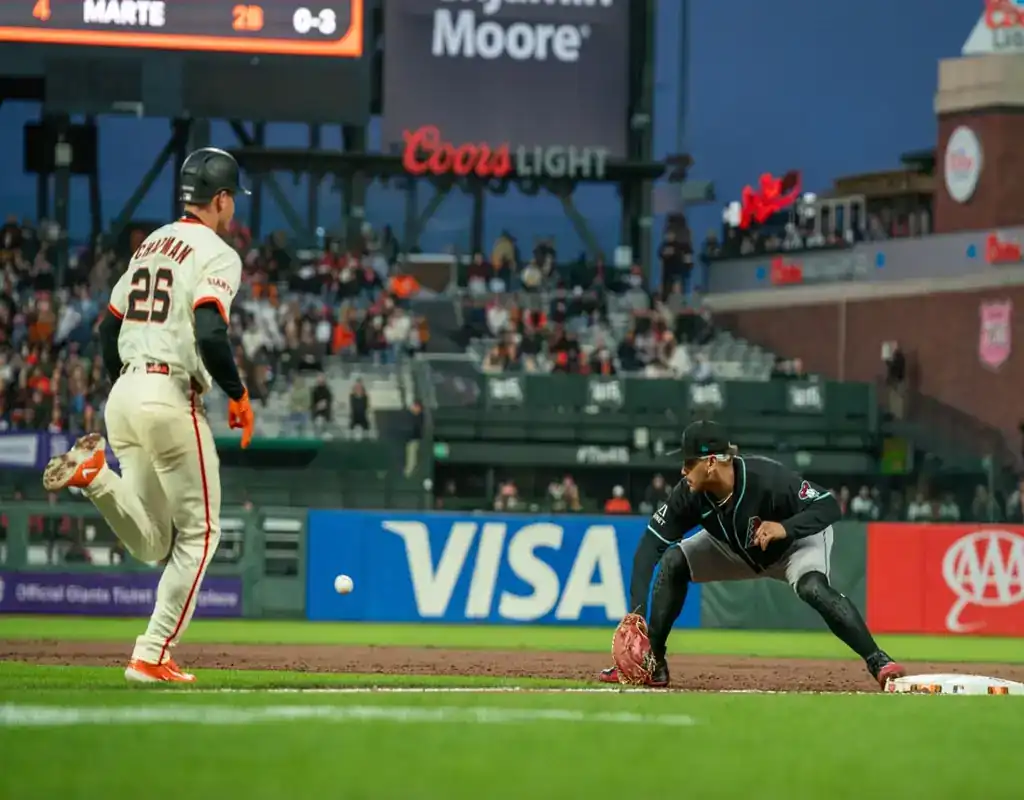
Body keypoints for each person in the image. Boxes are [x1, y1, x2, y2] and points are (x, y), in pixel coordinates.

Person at [41, 147, 255, 684]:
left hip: (126, 394)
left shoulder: (150, 246)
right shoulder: (217, 250)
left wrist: (132, 387)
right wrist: (237, 392)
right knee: (201, 536)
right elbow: (210, 328)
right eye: (233, 199)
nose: (234, 209)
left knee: (157, 542)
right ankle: (152, 650)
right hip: (170, 393)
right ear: (221, 199)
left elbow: (107, 329)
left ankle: (96, 479)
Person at [600, 420, 905, 690]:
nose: (682, 470)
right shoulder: (688, 494)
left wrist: (785, 528)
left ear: (709, 462)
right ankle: (655, 663)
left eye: (688, 462)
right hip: (735, 547)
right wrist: (635, 612)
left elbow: (827, 505)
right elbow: (648, 549)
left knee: (813, 588)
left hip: (795, 543)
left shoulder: (766, 477)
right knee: (673, 561)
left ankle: (878, 661)